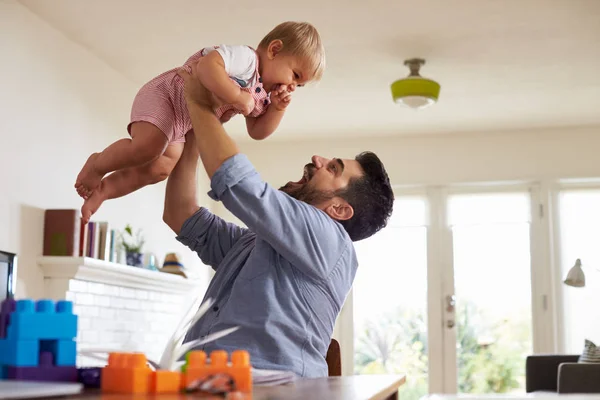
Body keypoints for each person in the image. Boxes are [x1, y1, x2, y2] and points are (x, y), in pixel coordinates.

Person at [161, 67, 394, 378]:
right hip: (205, 384)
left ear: (339, 209)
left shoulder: (330, 239)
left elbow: (241, 186)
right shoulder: (255, 244)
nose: (317, 159)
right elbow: (181, 215)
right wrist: (192, 132)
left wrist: (199, 103)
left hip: (273, 390)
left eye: (334, 168)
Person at [74, 21, 325, 223]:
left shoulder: (262, 94)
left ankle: (105, 191)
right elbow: (207, 66)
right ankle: (97, 164)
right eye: (295, 75)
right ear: (274, 50)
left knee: (160, 169)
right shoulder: (247, 60)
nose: (292, 86)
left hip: (182, 123)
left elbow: (257, 132)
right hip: (168, 96)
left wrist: (277, 109)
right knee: (149, 146)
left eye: (299, 85)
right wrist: (237, 95)